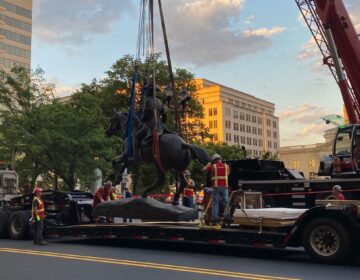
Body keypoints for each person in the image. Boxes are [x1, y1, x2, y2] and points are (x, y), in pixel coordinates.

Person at [130, 83, 168, 162]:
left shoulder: (148, 101)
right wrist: (162, 123)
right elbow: (165, 115)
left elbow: (146, 115)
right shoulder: (159, 102)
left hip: (150, 125)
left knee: (135, 137)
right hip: (160, 125)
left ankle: (136, 157)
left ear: (149, 91)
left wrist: (142, 120)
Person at [202, 153, 230, 226]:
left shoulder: (213, 166)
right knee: (226, 203)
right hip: (225, 187)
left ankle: (214, 219)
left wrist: (208, 164)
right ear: (220, 159)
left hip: (216, 187)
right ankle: (227, 218)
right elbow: (227, 174)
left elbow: (203, 170)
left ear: (214, 160)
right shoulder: (226, 166)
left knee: (215, 203)